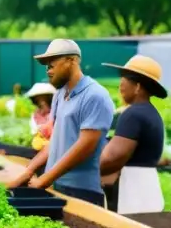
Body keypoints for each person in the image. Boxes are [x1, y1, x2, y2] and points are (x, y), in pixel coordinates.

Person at [8, 39, 114, 205]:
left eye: (52, 65)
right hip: (58, 185)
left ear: (71, 61)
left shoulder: (95, 96)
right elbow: (55, 141)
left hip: (84, 191)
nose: (48, 70)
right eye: (46, 66)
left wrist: (43, 180)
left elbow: (85, 147)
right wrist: (29, 171)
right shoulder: (59, 94)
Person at [99, 55, 167, 214]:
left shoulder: (133, 114)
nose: (120, 84)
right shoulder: (151, 113)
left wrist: (81, 170)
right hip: (148, 189)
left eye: (125, 79)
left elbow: (111, 158)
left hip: (133, 192)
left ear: (138, 86)